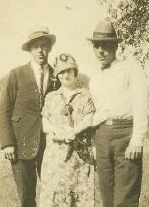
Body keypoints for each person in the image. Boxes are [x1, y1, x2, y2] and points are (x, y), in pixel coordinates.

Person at [87, 21, 149, 207]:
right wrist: (95, 145)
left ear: (115, 46)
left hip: (125, 134)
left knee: (125, 199)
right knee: (108, 198)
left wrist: (137, 139)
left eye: (105, 46)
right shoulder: (95, 78)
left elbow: (141, 103)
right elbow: (96, 113)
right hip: (102, 136)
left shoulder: (130, 68)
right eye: (96, 46)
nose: (101, 51)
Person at [0, 26, 56, 207]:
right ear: (30, 50)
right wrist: (8, 143)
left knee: (54, 192)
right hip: (21, 144)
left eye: (44, 46)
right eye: (36, 46)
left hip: (51, 145)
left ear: (49, 48)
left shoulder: (57, 75)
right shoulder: (16, 74)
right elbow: (4, 110)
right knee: (27, 198)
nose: (40, 50)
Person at [40, 53, 96, 207]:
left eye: (70, 71)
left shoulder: (85, 95)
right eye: (62, 72)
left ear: (75, 72)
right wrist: (57, 132)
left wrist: (74, 131)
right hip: (55, 158)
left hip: (80, 158)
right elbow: (45, 122)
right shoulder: (51, 97)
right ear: (57, 75)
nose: (66, 75)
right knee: (55, 197)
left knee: (79, 198)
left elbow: (89, 119)